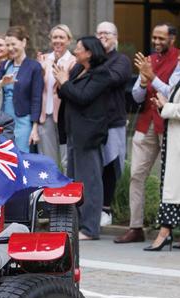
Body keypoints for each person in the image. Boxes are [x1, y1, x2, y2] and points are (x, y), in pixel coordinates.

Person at [114, 23, 180, 243]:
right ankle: (136, 227)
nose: (156, 42)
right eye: (154, 37)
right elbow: (136, 96)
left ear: (172, 39)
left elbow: (172, 91)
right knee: (136, 175)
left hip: (168, 124)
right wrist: (143, 82)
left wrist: (151, 77)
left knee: (169, 177)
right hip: (146, 123)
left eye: (161, 38)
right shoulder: (149, 59)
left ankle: (168, 227)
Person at [55, 36, 112, 240]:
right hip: (73, 131)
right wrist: (61, 83)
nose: (75, 51)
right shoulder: (78, 69)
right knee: (74, 178)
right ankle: (76, 224)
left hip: (89, 133)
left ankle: (90, 228)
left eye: (79, 48)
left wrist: (64, 82)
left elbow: (83, 97)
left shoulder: (102, 74)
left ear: (89, 52)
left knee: (90, 181)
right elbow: (67, 95)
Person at [145, 42, 180, 251]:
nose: (179, 58)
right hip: (178, 141)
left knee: (177, 190)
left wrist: (164, 106)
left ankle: (165, 233)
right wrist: (163, 104)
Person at [95, 21, 132, 227]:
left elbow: (113, 79)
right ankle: (92, 207)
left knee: (110, 164)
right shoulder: (92, 60)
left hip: (113, 121)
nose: (102, 36)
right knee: (94, 167)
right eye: (99, 33)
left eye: (107, 33)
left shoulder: (121, 60)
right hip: (92, 122)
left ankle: (105, 209)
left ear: (115, 37)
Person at [0, 25, 43, 153]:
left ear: (23, 42)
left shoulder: (34, 66)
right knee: (5, 156)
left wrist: (35, 128)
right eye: (8, 45)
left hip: (23, 120)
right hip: (4, 119)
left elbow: (36, 98)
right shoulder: (5, 65)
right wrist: (2, 83)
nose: (10, 48)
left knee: (21, 155)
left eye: (13, 44)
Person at [37, 24, 75, 169]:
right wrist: (39, 70)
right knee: (47, 158)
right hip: (45, 113)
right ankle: (50, 189)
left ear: (69, 40)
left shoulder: (74, 61)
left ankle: (66, 190)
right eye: (55, 37)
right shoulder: (44, 59)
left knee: (66, 159)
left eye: (61, 37)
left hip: (64, 114)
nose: (57, 40)